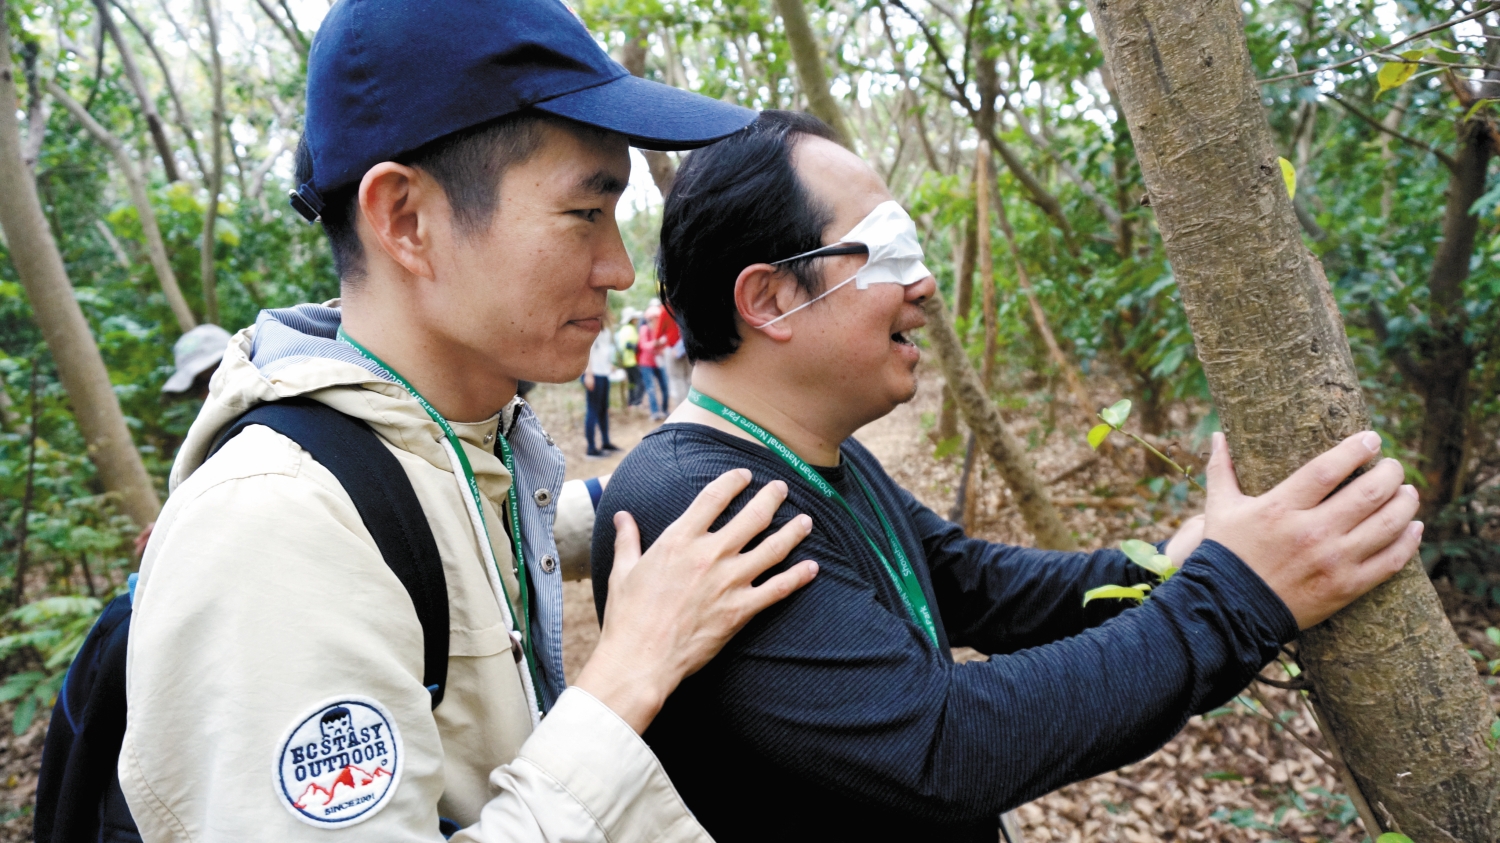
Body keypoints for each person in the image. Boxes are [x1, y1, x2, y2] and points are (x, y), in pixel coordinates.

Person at [591, 111, 1423, 842]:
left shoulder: (810, 456)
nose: (922, 286)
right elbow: (939, 743)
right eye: (889, 253)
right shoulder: (700, 500)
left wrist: (1183, 558)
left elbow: (977, 584)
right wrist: (1233, 596)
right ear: (769, 299)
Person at [120, 8, 819, 842]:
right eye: (584, 213)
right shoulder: (273, 525)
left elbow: (460, 525)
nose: (621, 269)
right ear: (407, 220)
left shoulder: (442, 443)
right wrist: (631, 672)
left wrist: (689, 475)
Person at [583, 311, 618, 457]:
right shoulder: (591, 326)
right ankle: (591, 448)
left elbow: (603, 350)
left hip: (603, 372)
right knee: (593, 410)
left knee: (604, 409)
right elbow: (587, 350)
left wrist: (609, 364)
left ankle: (606, 442)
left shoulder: (604, 328)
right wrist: (588, 373)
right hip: (594, 373)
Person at [636, 306, 667, 420]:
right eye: (655, 318)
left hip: (658, 362)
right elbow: (643, 345)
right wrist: (655, 343)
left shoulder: (660, 328)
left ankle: (664, 410)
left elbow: (665, 343)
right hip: (646, 363)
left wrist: (661, 345)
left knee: (665, 386)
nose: (657, 319)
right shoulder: (645, 329)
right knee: (651, 388)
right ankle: (654, 412)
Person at [617, 306, 643, 408]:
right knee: (640, 383)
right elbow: (628, 345)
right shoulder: (630, 329)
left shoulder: (624, 329)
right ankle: (637, 402)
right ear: (631, 319)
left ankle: (631, 402)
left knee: (632, 383)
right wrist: (637, 348)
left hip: (626, 361)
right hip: (632, 361)